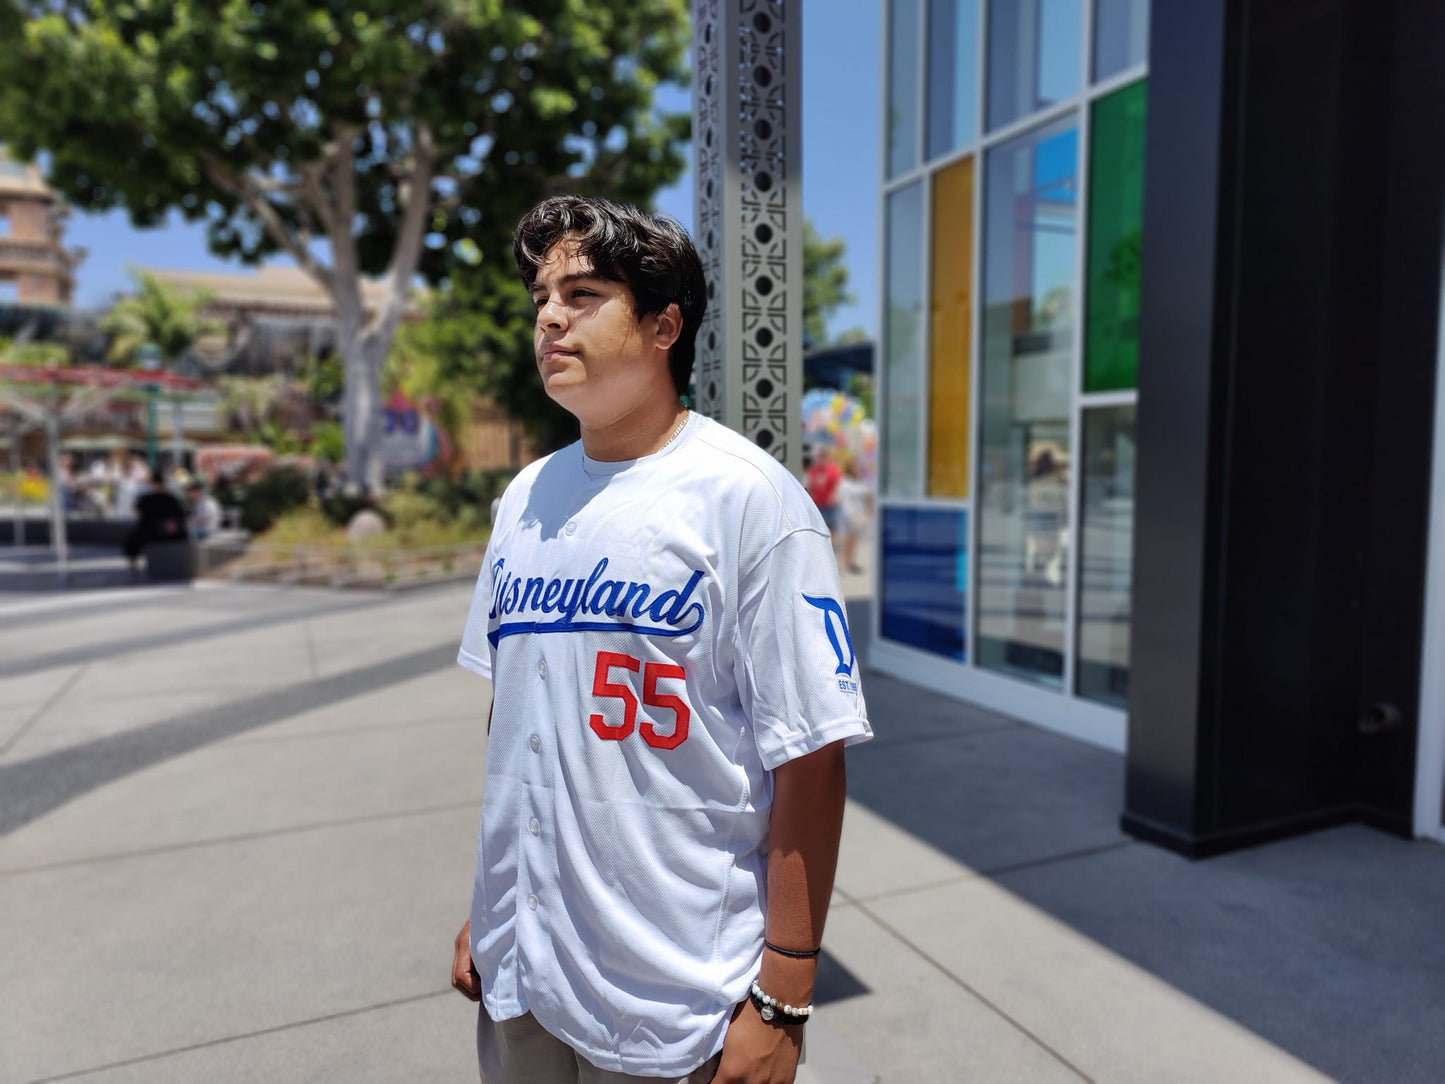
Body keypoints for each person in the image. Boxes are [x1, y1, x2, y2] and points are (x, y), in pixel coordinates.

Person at [452, 196, 872, 1084]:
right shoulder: (524, 496)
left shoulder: (746, 500)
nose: (550, 317)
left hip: (670, 996)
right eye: (540, 298)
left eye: (584, 293)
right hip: (523, 970)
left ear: (663, 326)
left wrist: (784, 997)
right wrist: (492, 904)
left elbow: (810, 756)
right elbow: (514, 714)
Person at [122, 469, 187, 572]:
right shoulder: (171, 498)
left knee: (132, 537)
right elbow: (181, 516)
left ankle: (132, 563)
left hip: (151, 532)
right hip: (170, 532)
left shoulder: (146, 498)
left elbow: (136, 514)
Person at [835, 459, 871, 574]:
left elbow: (866, 495)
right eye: (854, 467)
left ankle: (850, 562)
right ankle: (841, 564)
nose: (857, 469)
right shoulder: (844, 482)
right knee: (846, 540)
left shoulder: (859, 482)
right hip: (847, 514)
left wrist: (867, 511)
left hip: (857, 515)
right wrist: (848, 514)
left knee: (854, 540)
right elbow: (841, 498)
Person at [804, 444, 842, 545]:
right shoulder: (814, 470)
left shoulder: (832, 469)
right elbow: (810, 484)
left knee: (831, 525)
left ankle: (832, 545)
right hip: (818, 504)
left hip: (829, 504)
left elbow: (836, 484)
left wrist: (833, 496)